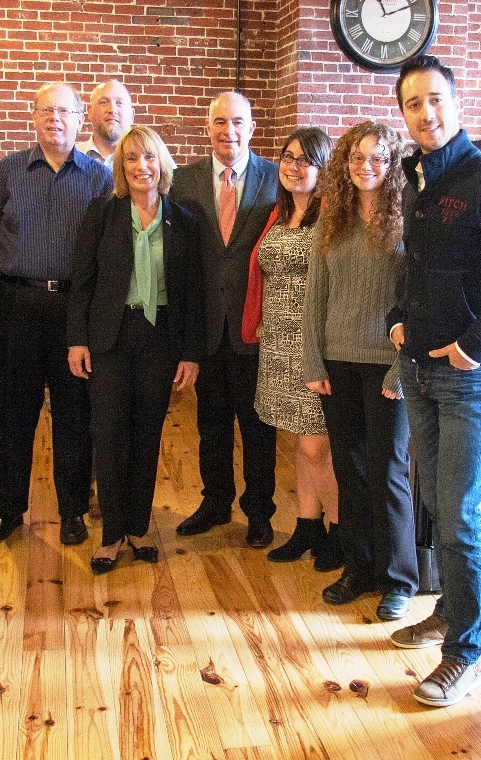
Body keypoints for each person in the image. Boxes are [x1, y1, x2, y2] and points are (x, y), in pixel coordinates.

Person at [0, 83, 113, 546]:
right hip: (15, 305)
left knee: (74, 415)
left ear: (81, 120)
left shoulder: (98, 177)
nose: (55, 118)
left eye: (65, 111)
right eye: (46, 111)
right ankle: (10, 509)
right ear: (33, 117)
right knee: (16, 414)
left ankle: (73, 510)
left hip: (73, 310)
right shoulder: (9, 170)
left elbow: (105, 253)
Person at [385, 54, 481, 708]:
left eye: (436, 99)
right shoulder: (416, 176)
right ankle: (451, 607)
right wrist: (396, 316)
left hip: (466, 378)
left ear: (458, 101)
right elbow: (412, 267)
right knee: (440, 509)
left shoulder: (477, 175)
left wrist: (475, 345)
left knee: (461, 518)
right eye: (414, 103)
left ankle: (463, 651)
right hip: (417, 369)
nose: (427, 112)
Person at [68, 126, 204, 573]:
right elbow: (82, 282)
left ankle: (139, 526)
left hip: (160, 338)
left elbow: (192, 295)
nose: (141, 166)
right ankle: (110, 534)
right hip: (110, 336)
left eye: (148, 157)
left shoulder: (183, 220)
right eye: (131, 159)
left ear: (161, 163)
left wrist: (190, 353)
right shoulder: (102, 214)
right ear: (120, 168)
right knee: (108, 435)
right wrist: (77, 340)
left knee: (147, 435)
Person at [302, 120, 418, 617]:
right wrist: (312, 359)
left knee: (388, 469)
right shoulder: (334, 219)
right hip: (337, 363)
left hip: (387, 365)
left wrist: (401, 367)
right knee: (349, 470)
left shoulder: (407, 219)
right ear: (344, 165)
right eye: (355, 158)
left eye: (375, 158)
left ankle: (398, 580)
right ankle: (359, 566)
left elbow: (415, 300)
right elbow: (315, 297)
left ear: (391, 165)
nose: (364, 166)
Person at [170, 91, 279, 548]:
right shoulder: (183, 180)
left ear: (251, 127)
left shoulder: (277, 179)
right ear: (207, 126)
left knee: (258, 429)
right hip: (207, 328)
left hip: (256, 327)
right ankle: (215, 503)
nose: (227, 131)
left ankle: (259, 513)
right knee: (211, 426)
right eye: (219, 121)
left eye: (237, 122)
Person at [241, 127, 340, 571]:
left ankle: (339, 532)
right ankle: (306, 525)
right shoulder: (278, 215)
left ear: (323, 169)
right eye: (288, 157)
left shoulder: (333, 218)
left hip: (314, 344)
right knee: (301, 444)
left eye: (305, 160)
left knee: (319, 446)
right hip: (276, 342)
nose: (294, 166)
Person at [77, 79, 176, 170]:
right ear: (90, 112)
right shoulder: (70, 157)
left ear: (132, 115)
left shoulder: (157, 159)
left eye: (119, 103)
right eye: (103, 102)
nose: (112, 109)